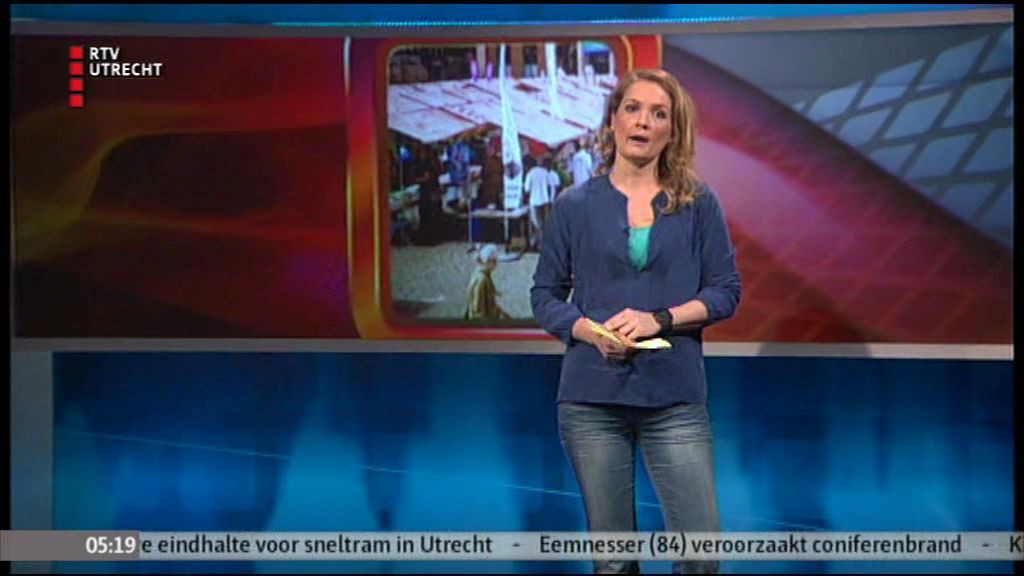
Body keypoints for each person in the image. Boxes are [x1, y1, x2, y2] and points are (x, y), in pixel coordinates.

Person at [530, 69, 741, 574]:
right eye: (632, 108)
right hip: (591, 400)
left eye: (658, 113)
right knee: (614, 563)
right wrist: (590, 331)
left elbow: (725, 292)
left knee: (700, 557)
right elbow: (545, 295)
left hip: (674, 398)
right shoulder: (574, 205)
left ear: (673, 131)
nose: (643, 121)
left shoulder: (697, 203)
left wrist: (660, 320)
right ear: (613, 121)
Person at [465, 244, 510, 321]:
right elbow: (478, 310)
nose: (496, 264)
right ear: (487, 261)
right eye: (494, 261)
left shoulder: (484, 275)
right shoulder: (481, 279)